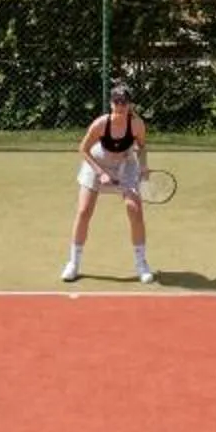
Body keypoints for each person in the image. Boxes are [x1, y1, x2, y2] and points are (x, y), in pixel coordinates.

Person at [61, 81, 154, 284]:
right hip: (96, 163)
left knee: (134, 209)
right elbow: (83, 149)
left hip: (125, 164)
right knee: (84, 211)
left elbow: (142, 147)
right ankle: (73, 263)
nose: (120, 105)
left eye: (124, 102)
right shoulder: (101, 124)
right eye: (116, 101)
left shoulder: (137, 125)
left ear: (130, 104)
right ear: (111, 103)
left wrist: (143, 166)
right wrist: (100, 172)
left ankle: (141, 264)